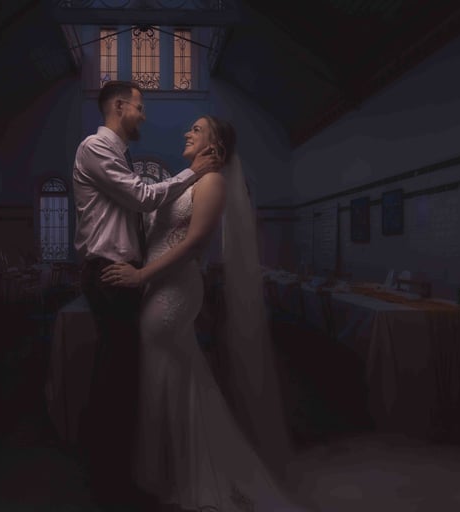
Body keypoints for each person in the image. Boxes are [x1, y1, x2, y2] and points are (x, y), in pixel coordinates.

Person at [101, 116, 307, 511]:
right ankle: (172, 468)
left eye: (196, 130)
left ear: (216, 145)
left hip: (174, 291)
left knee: (166, 371)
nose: (186, 133)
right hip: (158, 286)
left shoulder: (212, 182)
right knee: (176, 374)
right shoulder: (190, 176)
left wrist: (141, 274)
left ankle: (177, 471)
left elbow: (195, 242)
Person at [72, 81, 221, 509]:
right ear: (119, 107)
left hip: (128, 274)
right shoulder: (95, 147)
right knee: (117, 376)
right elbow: (141, 198)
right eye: (139, 107)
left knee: (120, 374)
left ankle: (118, 469)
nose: (144, 114)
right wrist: (194, 171)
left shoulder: (119, 154)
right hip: (110, 272)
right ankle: (110, 481)